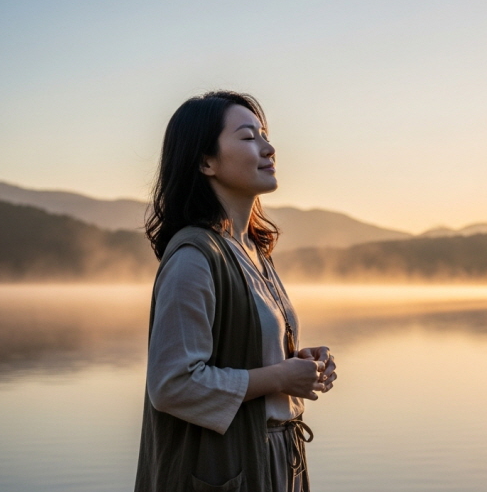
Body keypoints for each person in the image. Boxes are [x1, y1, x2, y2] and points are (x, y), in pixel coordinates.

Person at [135, 90, 336, 492]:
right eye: (248, 138)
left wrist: (298, 364)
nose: (269, 148)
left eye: (264, 135)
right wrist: (280, 376)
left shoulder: (255, 251)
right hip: (228, 472)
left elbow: (246, 354)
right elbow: (173, 384)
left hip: (279, 460)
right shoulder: (194, 256)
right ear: (206, 161)